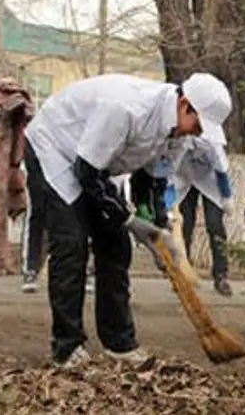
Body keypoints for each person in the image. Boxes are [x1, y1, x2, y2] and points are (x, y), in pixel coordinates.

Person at [23, 72, 232, 369]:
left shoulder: (178, 134)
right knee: (72, 244)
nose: (197, 133)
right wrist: (131, 221)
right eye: (198, 125)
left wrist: (159, 234)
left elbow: (151, 185)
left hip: (97, 164)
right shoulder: (125, 108)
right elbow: (86, 174)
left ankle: (119, 342)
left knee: (116, 247)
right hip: (55, 148)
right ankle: (67, 347)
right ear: (185, 105)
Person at [168, 136, 234, 296]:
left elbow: (221, 170)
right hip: (184, 181)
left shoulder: (211, 140)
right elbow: (167, 176)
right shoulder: (175, 142)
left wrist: (226, 196)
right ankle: (183, 271)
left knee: (214, 225)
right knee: (183, 226)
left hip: (210, 181)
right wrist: (168, 204)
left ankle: (221, 275)